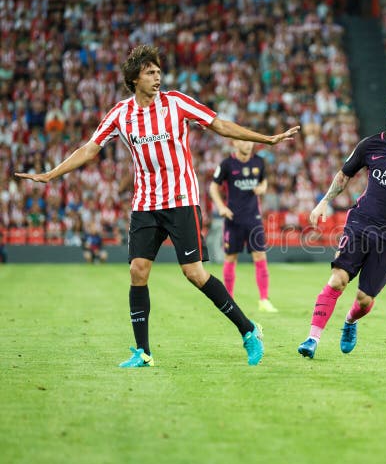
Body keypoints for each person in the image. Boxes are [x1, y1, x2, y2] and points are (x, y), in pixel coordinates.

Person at [15, 45, 299, 367]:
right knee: (138, 271)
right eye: (150, 72)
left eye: (159, 72)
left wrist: (267, 139)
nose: (157, 77)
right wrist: (52, 174)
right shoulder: (120, 114)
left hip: (181, 200)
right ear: (135, 78)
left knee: (194, 273)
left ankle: (248, 331)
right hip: (145, 203)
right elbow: (90, 149)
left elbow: (219, 124)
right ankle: (143, 352)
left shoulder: (176, 103)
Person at [297, 91, 386, 359]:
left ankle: (350, 322)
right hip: (361, 223)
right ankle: (312, 339)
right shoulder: (369, 146)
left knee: (365, 299)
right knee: (338, 279)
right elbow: (344, 175)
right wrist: (322, 203)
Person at [209, 139, 278, 313]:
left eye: (250, 142)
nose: (248, 145)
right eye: (244, 141)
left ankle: (264, 299)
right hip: (233, 218)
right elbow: (213, 188)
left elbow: (263, 181)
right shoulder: (227, 164)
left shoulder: (258, 162)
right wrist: (221, 207)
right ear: (234, 143)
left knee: (260, 257)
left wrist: (262, 187)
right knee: (231, 258)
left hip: (254, 218)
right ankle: (229, 299)